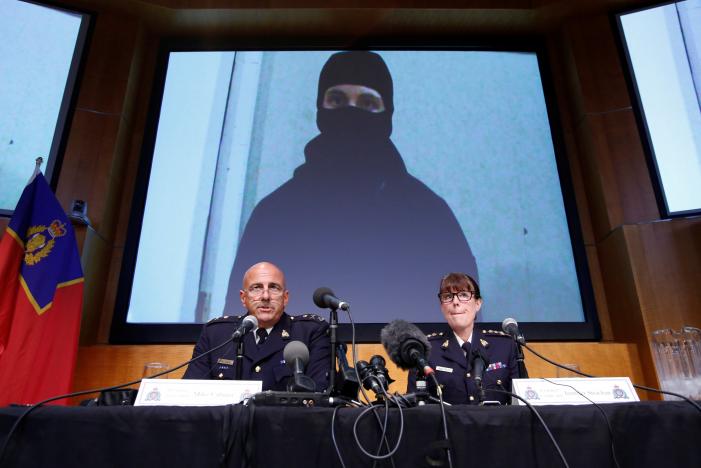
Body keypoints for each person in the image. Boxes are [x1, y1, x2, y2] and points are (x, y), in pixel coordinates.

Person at [223, 50, 478, 322]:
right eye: (337, 100)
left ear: (387, 114)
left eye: (368, 102)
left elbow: (464, 325)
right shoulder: (274, 215)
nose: (351, 113)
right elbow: (239, 328)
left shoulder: (429, 216)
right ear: (320, 109)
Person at [184, 262, 330, 392]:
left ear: (285, 298)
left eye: (273, 287)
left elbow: (319, 397)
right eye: (256, 288)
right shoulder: (216, 334)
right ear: (243, 298)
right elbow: (189, 393)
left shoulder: (310, 333)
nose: (265, 296)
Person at [407, 273, 520, 405]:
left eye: (464, 295)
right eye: (448, 297)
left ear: (478, 303)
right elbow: (414, 410)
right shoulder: (425, 351)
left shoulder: (504, 346)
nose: (455, 302)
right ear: (442, 306)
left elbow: (523, 405)